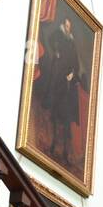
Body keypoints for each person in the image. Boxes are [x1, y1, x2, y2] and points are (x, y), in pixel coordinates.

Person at [34, 14, 83, 168]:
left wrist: (73, 74)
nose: (68, 28)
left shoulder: (72, 42)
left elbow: (75, 63)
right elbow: (52, 45)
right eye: (67, 26)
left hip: (68, 84)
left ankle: (66, 153)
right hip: (59, 82)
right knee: (56, 116)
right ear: (63, 25)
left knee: (67, 119)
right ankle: (54, 145)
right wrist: (56, 52)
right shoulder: (58, 36)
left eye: (70, 26)